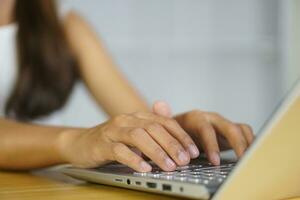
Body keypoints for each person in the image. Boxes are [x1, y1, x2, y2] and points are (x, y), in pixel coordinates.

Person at [0, 0, 254, 173]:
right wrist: (75, 142)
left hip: (44, 186)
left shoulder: (66, 27)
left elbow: (135, 119)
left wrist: (178, 135)